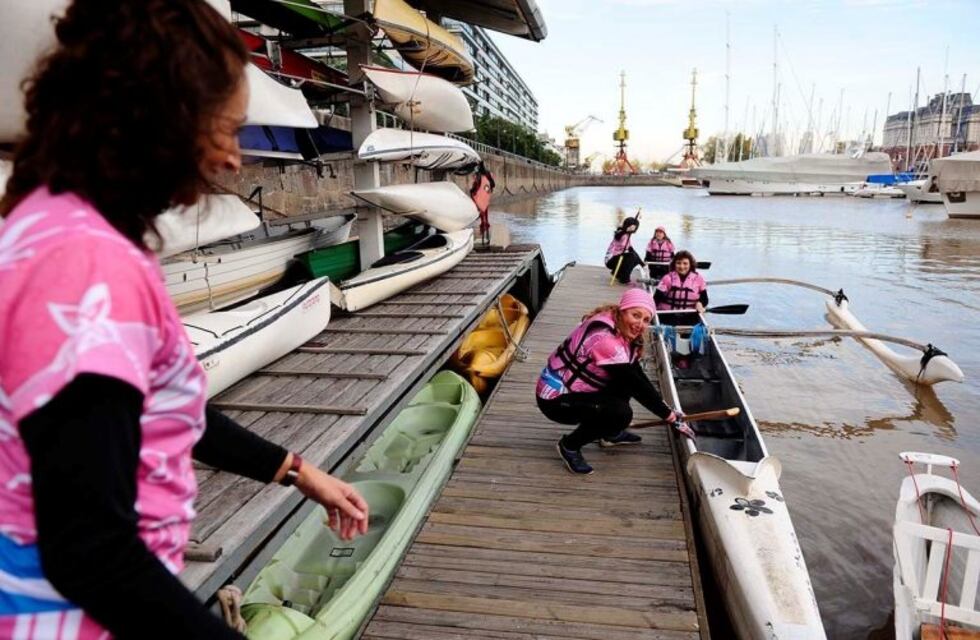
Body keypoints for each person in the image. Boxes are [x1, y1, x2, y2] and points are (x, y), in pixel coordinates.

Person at [0, 2, 367, 638]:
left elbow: (160, 407)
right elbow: (90, 550)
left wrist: (302, 474)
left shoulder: (46, 224)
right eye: (223, 129)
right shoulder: (89, 269)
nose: (232, 159)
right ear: (160, 121)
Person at [536, 288, 694, 475]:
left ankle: (609, 434)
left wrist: (666, 409)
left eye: (646, 320)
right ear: (622, 310)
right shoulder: (605, 340)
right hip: (555, 401)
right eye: (635, 315)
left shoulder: (619, 327)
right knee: (620, 413)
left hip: (577, 390)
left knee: (626, 381)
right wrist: (669, 417)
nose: (640, 324)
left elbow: (636, 376)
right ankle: (569, 446)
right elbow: (635, 386)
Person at [604, 216, 642, 283]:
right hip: (611, 259)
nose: (633, 229)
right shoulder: (621, 233)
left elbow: (631, 249)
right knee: (631, 256)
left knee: (635, 257)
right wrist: (626, 230)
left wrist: (642, 264)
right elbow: (618, 235)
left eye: (634, 227)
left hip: (618, 258)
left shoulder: (627, 236)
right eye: (631, 227)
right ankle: (624, 279)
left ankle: (618, 273)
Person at [470, 160, 495, 246]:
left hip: (479, 198)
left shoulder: (478, 175)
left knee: (482, 216)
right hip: (485, 197)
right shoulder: (487, 173)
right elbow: (492, 184)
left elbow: (474, 187)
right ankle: (487, 238)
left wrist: (471, 192)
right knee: (485, 216)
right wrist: (488, 190)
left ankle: (485, 238)